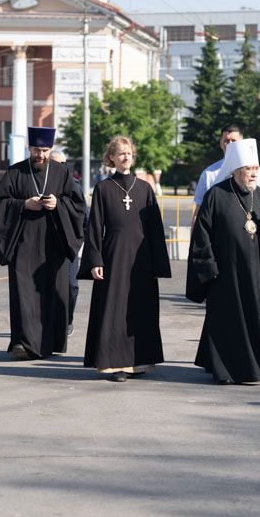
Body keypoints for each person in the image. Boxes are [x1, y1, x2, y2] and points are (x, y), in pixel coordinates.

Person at [186, 139, 260, 384]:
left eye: (256, 169)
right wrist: (210, 270)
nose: (253, 174)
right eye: (249, 169)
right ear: (236, 171)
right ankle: (226, 372)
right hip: (226, 275)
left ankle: (259, 367)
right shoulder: (216, 195)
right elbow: (201, 236)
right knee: (228, 323)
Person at [80, 136, 171, 382]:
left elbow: (155, 229)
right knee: (115, 309)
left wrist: (158, 264)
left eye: (129, 153)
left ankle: (139, 360)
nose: (125, 157)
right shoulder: (103, 188)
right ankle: (115, 363)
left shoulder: (144, 188)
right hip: (113, 256)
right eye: (120, 154)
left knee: (140, 307)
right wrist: (95, 260)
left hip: (142, 258)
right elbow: (95, 227)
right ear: (111, 158)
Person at [0, 126, 86, 360]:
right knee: (24, 295)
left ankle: (50, 341)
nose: (40, 155)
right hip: (23, 245)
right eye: (36, 150)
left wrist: (58, 204)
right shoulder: (15, 172)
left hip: (54, 245)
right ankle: (23, 343)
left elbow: (78, 205)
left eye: (44, 150)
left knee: (53, 294)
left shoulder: (62, 173)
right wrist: (23, 205)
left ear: (50, 149)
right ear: (29, 148)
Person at [193, 124, 260, 213]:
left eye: (233, 140)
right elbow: (200, 208)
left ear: (242, 142)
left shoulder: (259, 173)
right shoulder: (208, 174)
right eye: (226, 141)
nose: (230, 144)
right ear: (221, 143)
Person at [49, 150, 81, 335]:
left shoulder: (74, 185)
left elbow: (83, 215)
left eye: (62, 164)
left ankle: (67, 319)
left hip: (69, 246)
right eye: (54, 164)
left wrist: (78, 240)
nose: (59, 168)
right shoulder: (40, 185)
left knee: (71, 286)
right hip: (46, 245)